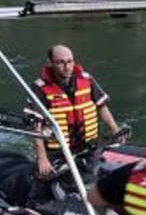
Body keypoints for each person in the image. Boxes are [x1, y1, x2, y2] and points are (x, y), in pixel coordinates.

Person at [29, 44, 121, 179]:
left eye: (69, 61)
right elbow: (35, 125)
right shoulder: (40, 88)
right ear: (50, 63)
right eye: (61, 62)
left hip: (88, 146)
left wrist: (115, 130)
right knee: (43, 181)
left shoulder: (86, 79)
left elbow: (102, 107)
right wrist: (42, 158)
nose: (67, 67)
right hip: (57, 151)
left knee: (97, 175)